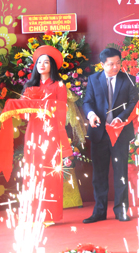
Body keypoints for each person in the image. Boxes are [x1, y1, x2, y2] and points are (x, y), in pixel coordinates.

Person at [82, 47, 139, 223]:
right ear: (102, 64)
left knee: (120, 172)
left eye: (118, 63)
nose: (115, 67)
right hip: (99, 132)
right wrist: (91, 115)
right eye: (111, 64)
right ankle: (99, 211)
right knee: (99, 175)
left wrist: (121, 118)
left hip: (119, 132)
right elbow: (87, 102)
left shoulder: (128, 79)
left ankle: (121, 210)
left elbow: (133, 102)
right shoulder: (93, 79)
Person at [21, 45, 68, 224]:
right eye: (39, 62)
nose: (42, 65)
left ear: (52, 65)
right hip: (33, 132)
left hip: (51, 133)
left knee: (49, 172)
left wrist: (46, 108)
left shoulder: (59, 85)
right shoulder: (29, 85)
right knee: (33, 172)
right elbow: (25, 114)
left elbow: (62, 110)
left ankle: (49, 214)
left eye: (46, 62)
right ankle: (33, 214)